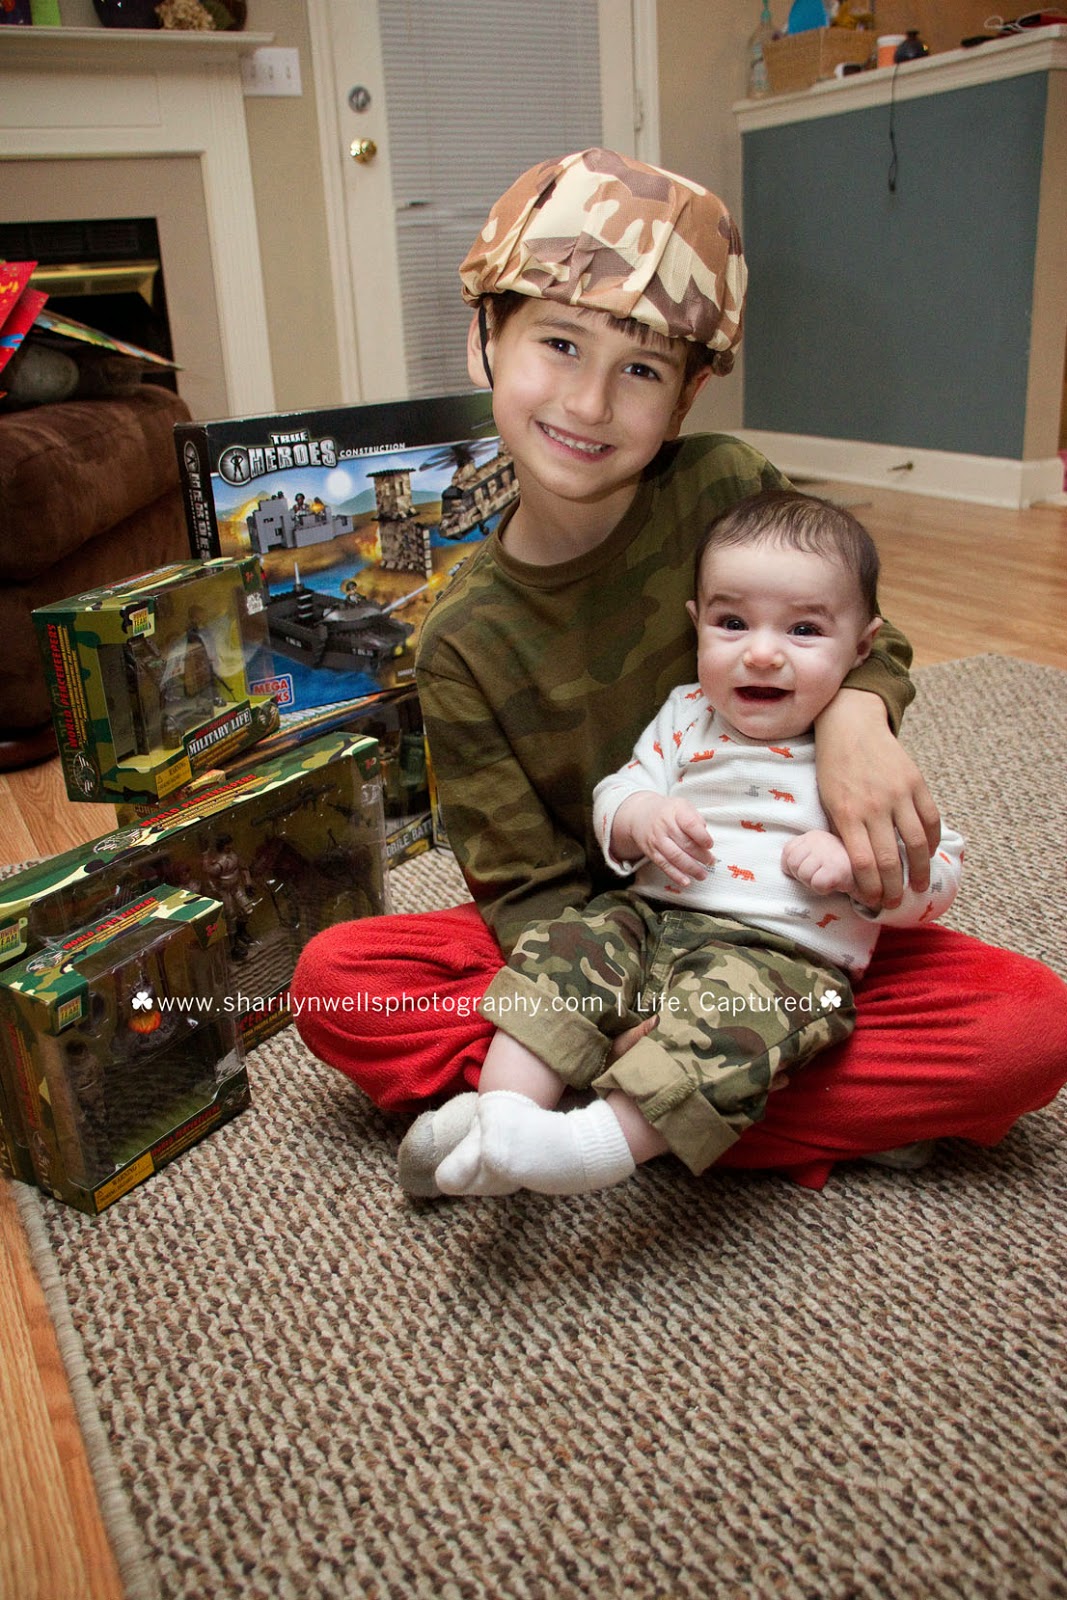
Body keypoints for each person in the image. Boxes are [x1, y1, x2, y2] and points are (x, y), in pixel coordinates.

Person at [290, 147, 1067, 1193]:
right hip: (605, 924)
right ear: (482, 341)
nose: (589, 402)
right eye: (558, 343)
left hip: (780, 936)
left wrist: (855, 723)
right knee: (339, 983)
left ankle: (608, 1110)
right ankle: (682, 1102)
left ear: (690, 392)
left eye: (642, 370)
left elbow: (856, 634)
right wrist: (625, 1006)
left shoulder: (725, 486)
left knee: (1027, 1027)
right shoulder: (462, 641)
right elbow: (526, 889)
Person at [405, 489, 964, 1197]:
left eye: (803, 631)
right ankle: (502, 1118)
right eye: (732, 623)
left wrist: (858, 869)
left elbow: (938, 872)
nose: (761, 653)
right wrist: (640, 816)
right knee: (560, 953)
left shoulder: (858, 750)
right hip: (644, 919)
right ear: (697, 623)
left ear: (861, 646)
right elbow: (619, 790)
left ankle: (586, 1147)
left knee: (739, 1027)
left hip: (778, 959)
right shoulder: (685, 713)